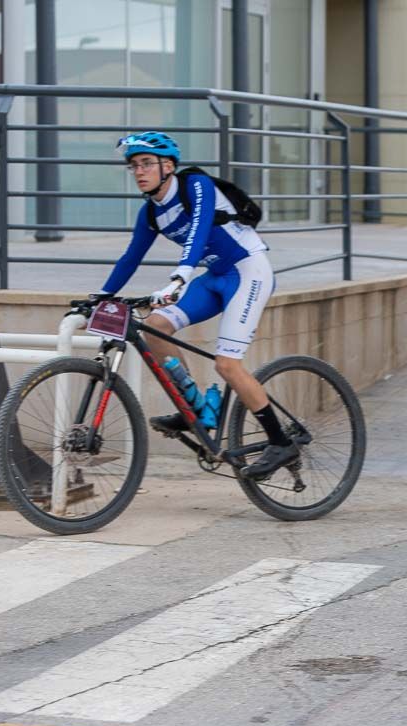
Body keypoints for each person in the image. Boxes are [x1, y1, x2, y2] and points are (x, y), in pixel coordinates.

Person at [100, 131, 294, 479]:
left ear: (168, 166)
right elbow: (130, 258)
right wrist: (99, 297)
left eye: (146, 163)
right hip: (215, 275)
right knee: (157, 327)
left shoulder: (195, 186)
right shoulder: (151, 213)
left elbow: (200, 230)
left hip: (247, 270)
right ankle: (196, 406)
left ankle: (280, 442)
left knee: (227, 366)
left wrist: (180, 277)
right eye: (133, 166)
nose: (139, 172)